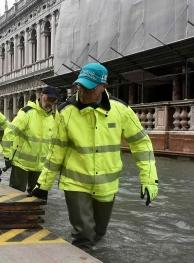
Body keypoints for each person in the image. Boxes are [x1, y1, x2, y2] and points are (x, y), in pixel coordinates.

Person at [29, 63, 158, 249]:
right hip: (75, 183)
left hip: (107, 184)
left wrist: (149, 178)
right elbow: (55, 152)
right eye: (80, 87)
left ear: (104, 87)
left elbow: (141, 142)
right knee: (83, 234)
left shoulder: (121, 110)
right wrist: (43, 185)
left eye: (89, 88)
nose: (82, 92)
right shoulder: (66, 112)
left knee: (99, 232)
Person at [3, 86, 58, 192]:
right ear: (41, 96)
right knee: (16, 197)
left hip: (41, 167)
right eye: (49, 99)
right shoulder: (26, 113)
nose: (50, 103)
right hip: (21, 165)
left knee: (38, 199)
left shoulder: (51, 117)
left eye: (53, 100)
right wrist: (7, 157)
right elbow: (9, 133)